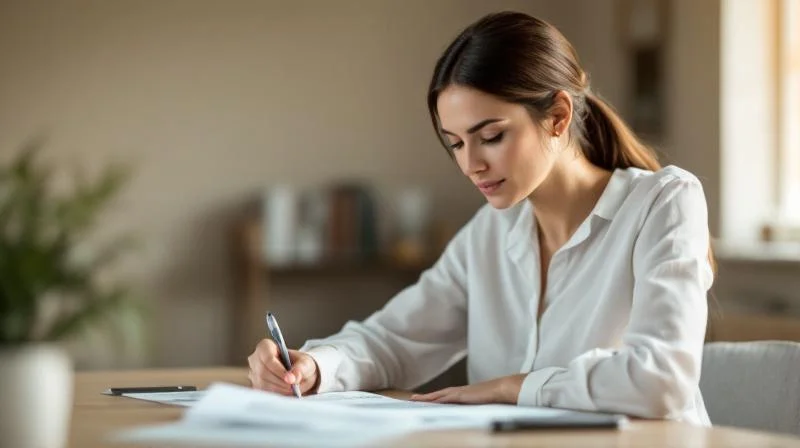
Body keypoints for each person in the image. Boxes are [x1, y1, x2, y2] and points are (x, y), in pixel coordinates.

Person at [247, 11, 715, 425]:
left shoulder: (664, 202)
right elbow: (396, 339)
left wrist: (516, 387)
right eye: (455, 143)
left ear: (557, 116)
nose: (471, 164)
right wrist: (314, 366)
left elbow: (662, 379)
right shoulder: (493, 231)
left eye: (489, 136)